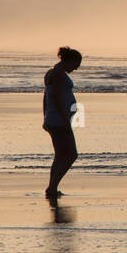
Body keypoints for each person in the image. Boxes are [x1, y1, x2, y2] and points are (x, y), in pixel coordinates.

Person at [43, 46, 81, 199]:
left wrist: (45, 116)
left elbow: (46, 97)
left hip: (54, 119)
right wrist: (65, 119)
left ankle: (52, 187)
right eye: (76, 64)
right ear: (69, 60)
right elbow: (56, 98)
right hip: (59, 120)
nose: (76, 68)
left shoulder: (53, 72)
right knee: (71, 154)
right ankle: (52, 187)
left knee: (60, 155)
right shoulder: (58, 74)